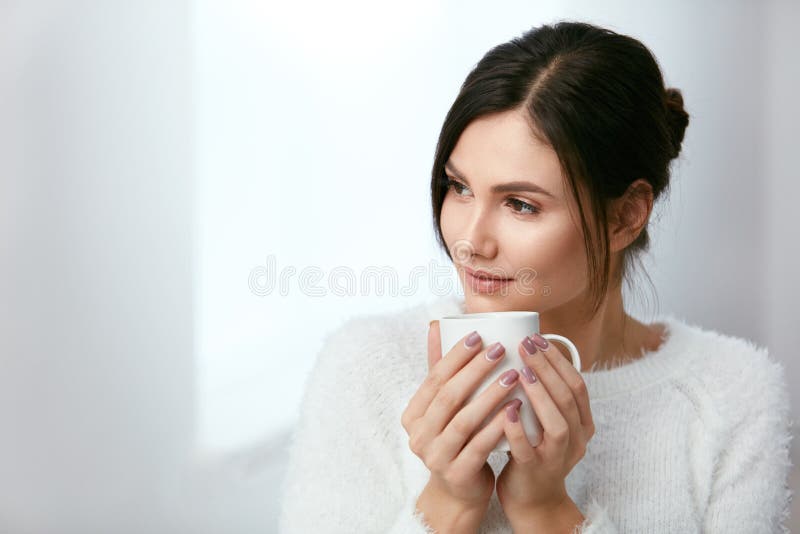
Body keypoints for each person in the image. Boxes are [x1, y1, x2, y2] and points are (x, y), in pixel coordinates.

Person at [277, 21, 793, 533]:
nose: (470, 241)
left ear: (625, 216)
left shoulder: (731, 394)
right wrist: (447, 504)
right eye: (458, 187)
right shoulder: (365, 368)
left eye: (520, 204)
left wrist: (546, 512)